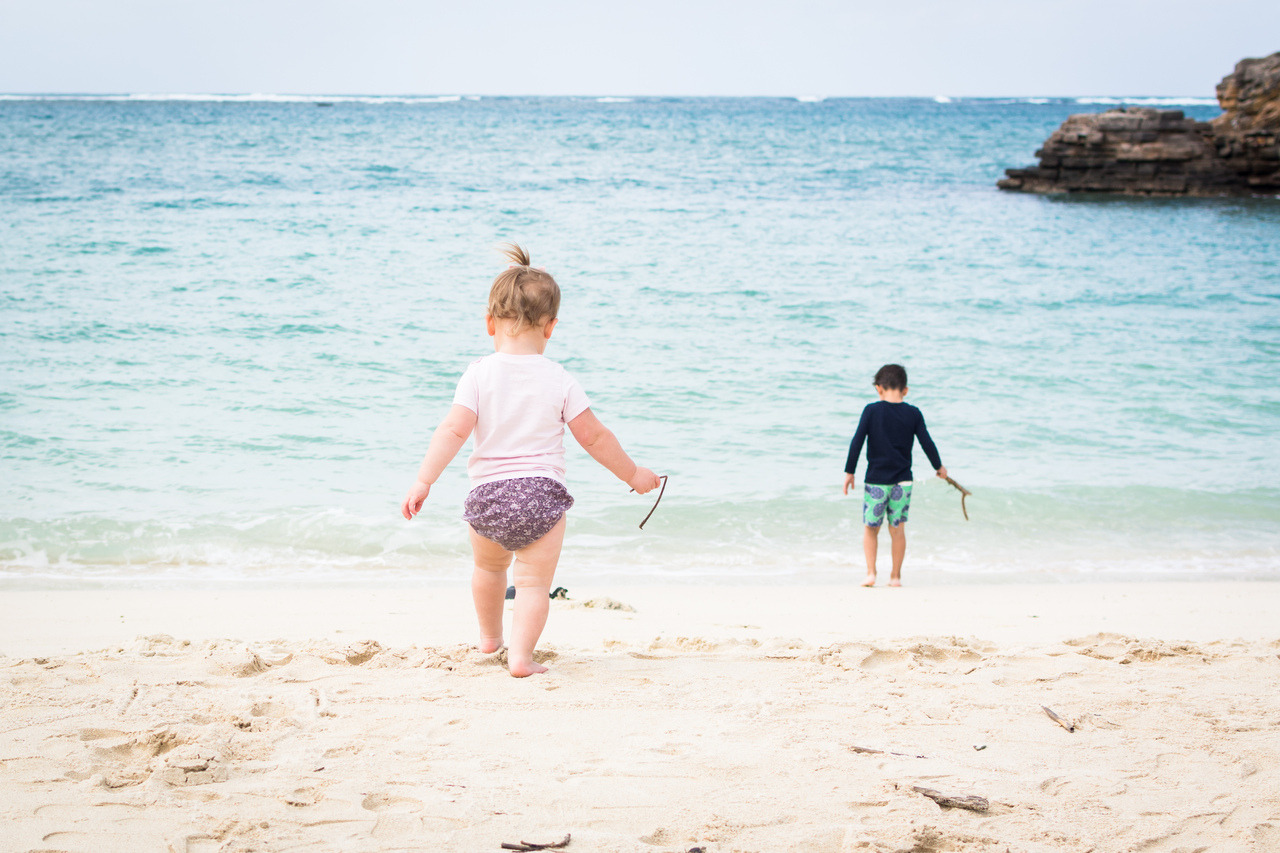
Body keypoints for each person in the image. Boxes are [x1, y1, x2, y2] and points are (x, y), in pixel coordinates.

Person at [401, 244, 661, 677]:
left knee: (488, 569)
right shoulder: (560, 379)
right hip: (541, 496)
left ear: (489, 323)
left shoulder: (477, 374)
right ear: (551, 327)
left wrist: (423, 481)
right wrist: (634, 474)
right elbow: (594, 437)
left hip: (488, 497)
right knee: (534, 584)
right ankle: (521, 657)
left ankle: (490, 640)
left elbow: (452, 431)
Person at [841, 364, 947, 588]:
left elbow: (857, 442)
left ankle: (871, 573)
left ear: (878, 388)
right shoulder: (913, 413)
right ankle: (895, 577)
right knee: (897, 530)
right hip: (903, 481)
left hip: (876, 481)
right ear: (905, 390)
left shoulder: (871, 410)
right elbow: (926, 442)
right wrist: (938, 466)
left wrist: (850, 472)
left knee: (871, 528)